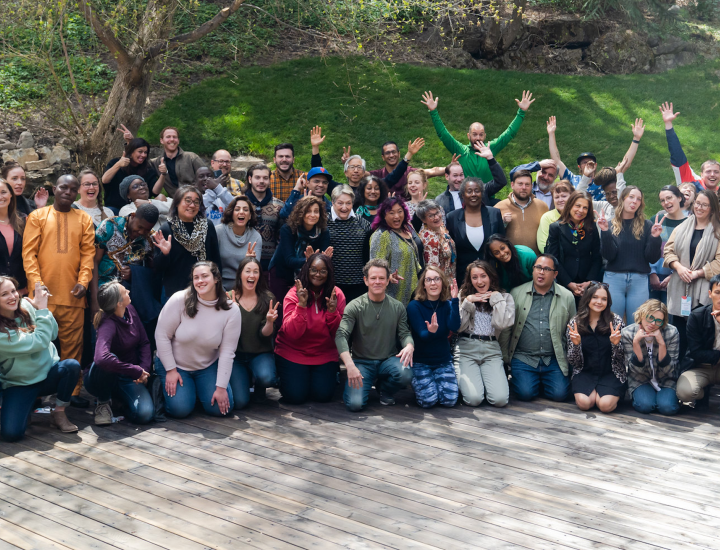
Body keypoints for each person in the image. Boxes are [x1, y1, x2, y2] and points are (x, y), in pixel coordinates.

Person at [22, 175, 95, 407]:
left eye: (73, 189)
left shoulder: (84, 218)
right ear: (55, 189)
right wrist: (37, 285)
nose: (68, 192)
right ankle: (36, 391)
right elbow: (29, 254)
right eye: (64, 187)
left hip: (73, 296)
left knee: (73, 345)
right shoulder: (37, 216)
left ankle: (71, 394)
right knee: (39, 346)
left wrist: (83, 283)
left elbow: (88, 255)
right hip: (41, 299)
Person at [155, 261, 242, 418]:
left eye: (204, 276)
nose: (200, 281)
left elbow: (227, 352)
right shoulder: (179, 299)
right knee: (180, 410)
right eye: (196, 277)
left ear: (216, 279)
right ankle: (171, 390)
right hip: (175, 365)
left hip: (206, 366)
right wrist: (170, 370)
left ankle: (195, 392)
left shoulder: (231, 310)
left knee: (222, 409)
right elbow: (161, 335)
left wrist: (221, 387)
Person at [0, 279, 80, 441]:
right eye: (4, 294)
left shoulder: (26, 306)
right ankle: (25, 408)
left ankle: (59, 413)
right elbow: (39, 341)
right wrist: (42, 309)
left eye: (14, 291)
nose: (13, 296)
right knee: (11, 434)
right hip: (19, 384)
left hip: (47, 375)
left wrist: (38, 308)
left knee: (71, 366)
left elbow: (52, 334)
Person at [421, 90, 534, 198]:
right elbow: (443, 134)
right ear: (468, 136)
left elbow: (509, 133)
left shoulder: (491, 149)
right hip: (464, 199)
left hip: (487, 199)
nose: (478, 138)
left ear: (485, 136)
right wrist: (433, 111)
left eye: (481, 134)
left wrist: (521, 112)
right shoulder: (461, 151)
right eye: (474, 134)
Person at [336, 259, 414, 411]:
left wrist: (409, 345)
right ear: (366, 280)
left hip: (388, 360)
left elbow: (404, 333)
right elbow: (341, 335)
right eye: (373, 278)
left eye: (381, 278)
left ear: (387, 281)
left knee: (405, 373)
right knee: (355, 405)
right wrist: (349, 365)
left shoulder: (397, 307)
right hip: (362, 362)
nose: (377, 282)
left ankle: (385, 389)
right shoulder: (355, 306)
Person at [500, 254, 577, 402]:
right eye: (538, 268)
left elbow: (572, 331)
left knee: (559, 395)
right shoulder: (516, 293)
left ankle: (541, 381)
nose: (541, 272)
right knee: (525, 394)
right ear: (533, 270)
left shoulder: (567, 296)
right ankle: (531, 381)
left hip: (553, 358)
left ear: (555, 274)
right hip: (524, 357)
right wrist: (505, 357)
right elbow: (507, 328)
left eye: (547, 269)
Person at [275, 254, 346, 404]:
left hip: (324, 353)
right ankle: (284, 378)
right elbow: (292, 333)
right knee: (296, 397)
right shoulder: (294, 294)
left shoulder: (336, 294)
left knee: (323, 396)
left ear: (329, 273)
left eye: (323, 271)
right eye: (313, 270)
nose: (318, 274)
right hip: (293, 352)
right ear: (307, 270)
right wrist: (301, 306)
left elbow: (339, 334)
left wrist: (333, 312)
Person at [84, 281, 153, 425]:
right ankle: (103, 403)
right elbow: (101, 359)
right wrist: (134, 370)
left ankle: (118, 403)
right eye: (124, 292)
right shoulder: (107, 323)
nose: (128, 290)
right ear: (118, 303)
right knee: (109, 359)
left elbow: (144, 342)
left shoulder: (130, 310)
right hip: (102, 378)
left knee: (145, 414)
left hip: (129, 378)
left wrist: (143, 370)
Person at [663, 189, 720, 360]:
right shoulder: (682, 226)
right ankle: (678, 370)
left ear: (712, 208)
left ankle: (699, 371)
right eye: (697, 203)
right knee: (679, 334)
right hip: (680, 287)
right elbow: (668, 251)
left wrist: (698, 273)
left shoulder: (717, 231)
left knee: (698, 334)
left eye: (705, 205)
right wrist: (679, 267)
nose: (699, 207)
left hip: (704, 289)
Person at [456, 260, 515, 407]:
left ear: (491, 277)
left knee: (500, 400)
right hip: (466, 349)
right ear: (470, 280)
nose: (479, 281)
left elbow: (501, 324)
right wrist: (468, 302)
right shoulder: (463, 296)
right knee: (474, 399)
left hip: (491, 350)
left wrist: (495, 299)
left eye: (483, 276)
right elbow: (458, 327)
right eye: (474, 277)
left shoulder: (505, 298)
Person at [599, 187, 662, 321]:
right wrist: (605, 232)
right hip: (614, 278)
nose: (635, 201)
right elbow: (608, 256)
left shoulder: (647, 226)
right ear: (623, 199)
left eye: (638, 199)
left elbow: (651, 257)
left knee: (638, 322)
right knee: (613, 322)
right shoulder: (609, 225)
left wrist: (655, 238)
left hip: (639, 279)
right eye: (631, 197)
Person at [547, 115, 644, 200]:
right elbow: (556, 161)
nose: (588, 164)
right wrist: (551, 134)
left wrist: (636, 139)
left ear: (596, 165)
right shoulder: (572, 179)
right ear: (579, 167)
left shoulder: (603, 180)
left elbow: (625, 164)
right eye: (584, 162)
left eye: (590, 162)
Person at [151, 185, 222, 300]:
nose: (192, 205)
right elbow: (158, 268)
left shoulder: (207, 226)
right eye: (188, 201)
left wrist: (218, 285)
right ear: (177, 203)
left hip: (204, 289)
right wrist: (165, 254)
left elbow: (215, 259)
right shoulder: (166, 229)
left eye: (196, 202)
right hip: (175, 292)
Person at [566, 283, 625, 413]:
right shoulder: (575, 322)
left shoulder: (615, 321)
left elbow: (622, 359)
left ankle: (612, 394)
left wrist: (616, 344)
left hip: (611, 372)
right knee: (585, 404)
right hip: (585, 371)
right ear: (587, 299)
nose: (599, 302)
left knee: (605, 406)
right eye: (595, 297)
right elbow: (573, 362)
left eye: (604, 299)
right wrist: (576, 345)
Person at [407, 266, 460, 408]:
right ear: (423, 285)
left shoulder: (447, 305)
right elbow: (423, 335)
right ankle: (424, 384)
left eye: (437, 279)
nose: (433, 283)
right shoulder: (414, 306)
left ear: (442, 282)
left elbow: (454, 327)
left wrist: (455, 301)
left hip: (443, 361)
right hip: (421, 362)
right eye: (428, 280)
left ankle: (435, 381)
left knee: (449, 401)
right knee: (428, 401)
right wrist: (431, 331)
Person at [229, 257, 278, 409]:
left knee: (267, 378)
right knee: (240, 402)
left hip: (260, 353)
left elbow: (265, 334)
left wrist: (269, 321)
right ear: (240, 275)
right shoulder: (229, 297)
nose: (251, 275)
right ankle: (243, 381)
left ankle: (259, 387)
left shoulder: (267, 298)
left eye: (255, 272)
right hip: (236, 356)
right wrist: (231, 312)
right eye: (248, 271)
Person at [92, 204, 158, 310]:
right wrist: (94, 300)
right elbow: (94, 262)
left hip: (131, 296)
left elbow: (153, 271)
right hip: (104, 291)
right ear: (133, 215)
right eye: (140, 227)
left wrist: (134, 272)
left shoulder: (151, 237)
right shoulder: (109, 226)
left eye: (147, 230)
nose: (141, 232)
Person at [621, 299, 680, 416]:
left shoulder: (671, 332)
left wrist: (662, 343)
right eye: (650, 318)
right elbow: (633, 371)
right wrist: (636, 343)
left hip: (666, 380)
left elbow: (670, 370)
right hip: (641, 380)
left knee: (668, 408)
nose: (653, 323)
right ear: (642, 314)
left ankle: (662, 398)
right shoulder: (627, 333)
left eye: (658, 321)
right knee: (645, 406)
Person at [268, 195, 331, 305]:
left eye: (316, 211)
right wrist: (310, 260)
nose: (312, 215)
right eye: (308, 211)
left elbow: (322, 259)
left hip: (309, 275)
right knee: (281, 310)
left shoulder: (324, 231)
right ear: (300, 213)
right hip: (282, 273)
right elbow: (290, 260)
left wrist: (325, 260)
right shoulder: (287, 229)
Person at [446, 178, 505, 283]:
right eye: (469, 191)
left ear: (482, 194)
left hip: (491, 275)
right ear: (463, 195)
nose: (473, 194)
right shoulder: (452, 217)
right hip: (464, 277)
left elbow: (502, 243)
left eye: (477, 191)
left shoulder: (494, 214)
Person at [546, 191, 602, 300]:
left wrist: (589, 282)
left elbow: (597, 257)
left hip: (586, 283)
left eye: (585, 208)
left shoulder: (592, 228)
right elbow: (553, 258)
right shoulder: (555, 228)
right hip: (564, 282)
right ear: (570, 205)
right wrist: (568, 283)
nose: (581, 210)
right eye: (578, 205)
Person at [370, 197, 424, 306]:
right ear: (383, 216)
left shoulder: (407, 227)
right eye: (391, 213)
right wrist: (388, 276)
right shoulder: (381, 235)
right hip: (394, 294)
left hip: (414, 289)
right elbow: (375, 266)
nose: (397, 216)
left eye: (400, 211)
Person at [660, 101, 718, 194]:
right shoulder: (690, 182)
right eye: (708, 171)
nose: (712, 175)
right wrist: (668, 125)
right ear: (701, 174)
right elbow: (677, 154)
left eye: (716, 172)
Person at [680, 274, 720, 406]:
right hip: (701, 366)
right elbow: (696, 352)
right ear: (710, 294)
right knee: (684, 392)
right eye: (718, 292)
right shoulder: (697, 316)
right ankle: (703, 392)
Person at [328, 185, 372, 304]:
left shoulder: (363, 223)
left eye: (348, 203)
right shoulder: (324, 222)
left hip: (358, 283)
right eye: (340, 203)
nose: (344, 207)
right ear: (332, 202)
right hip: (331, 283)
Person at [496, 169, 549, 254]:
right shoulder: (499, 207)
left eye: (527, 184)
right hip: (510, 260)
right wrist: (503, 223)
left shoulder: (542, 206)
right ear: (512, 185)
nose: (524, 188)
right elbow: (492, 235)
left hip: (537, 260)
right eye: (520, 184)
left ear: (531, 186)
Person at [215, 195, 263, 291]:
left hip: (244, 287)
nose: (241, 212)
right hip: (218, 286)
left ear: (249, 216)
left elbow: (253, 272)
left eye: (245, 210)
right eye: (237, 209)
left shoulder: (256, 237)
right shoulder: (218, 231)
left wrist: (248, 261)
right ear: (231, 213)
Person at [650, 185, 688, 303]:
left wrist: (674, 276)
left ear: (679, 198)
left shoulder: (690, 224)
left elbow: (690, 254)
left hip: (676, 279)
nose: (666, 202)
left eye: (669, 198)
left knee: (670, 318)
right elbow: (647, 248)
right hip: (652, 279)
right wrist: (652, 273)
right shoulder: (656, 220)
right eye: (662, 200)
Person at [369, 140, 446, 196]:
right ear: (383, 157)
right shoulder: (376, 175)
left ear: (399, 154)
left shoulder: (410, 173)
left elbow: (433, 171)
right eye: (387, 153)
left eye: (394, 152)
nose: (391, 155)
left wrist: (451, 168)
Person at [102, 137, 161, 211]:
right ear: (131, 152)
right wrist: (118, 165)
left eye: (145, 152)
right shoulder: (115, 162)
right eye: (140, 151)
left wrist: (163, 175)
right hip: (115, 207)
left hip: (139, 208)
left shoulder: (148, 169)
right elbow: (105, 180)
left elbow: (154, 192)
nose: (143, 155)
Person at [244, 163, 284, 271]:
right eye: (257, 177)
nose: (261, 181)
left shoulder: (279, 206)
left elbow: (282, 237)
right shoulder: (240, 204)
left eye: (265, 178)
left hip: (270, 264)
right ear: (250, 179)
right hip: (243, 260)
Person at [149, 127, 204, 198]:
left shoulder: (191, 157)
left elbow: (207, 177)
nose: (172, 139)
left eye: (174, 137)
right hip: (174, 202)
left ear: (178, 140)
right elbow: (138, 160)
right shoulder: (155, 163)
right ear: (161, 140)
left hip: (195, 199)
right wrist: (130, 141)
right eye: (168, 137)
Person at [416, 199, 456, 279]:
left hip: (450, 278)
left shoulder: (441, 227)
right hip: (441, 283)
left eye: (437, 212)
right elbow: (433, 271)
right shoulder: (429, 238)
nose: (436, 217)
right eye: (431, 216)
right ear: (423, 220)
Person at [0, 179, 26, 291]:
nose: (0, 196)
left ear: (11, 194)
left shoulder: (24, 220)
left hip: (21, 288)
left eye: (3, 192)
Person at [537, 179, 574, 253]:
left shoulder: (578, 215)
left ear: (572, 197)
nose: (560, 200)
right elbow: (543, 246)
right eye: (557, 197)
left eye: (564, 196)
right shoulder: (547, 217)